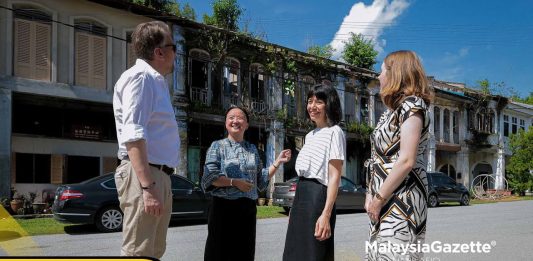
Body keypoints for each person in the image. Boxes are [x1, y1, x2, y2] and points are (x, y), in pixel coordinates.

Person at [112, 21, 179, 259]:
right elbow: (133, 134)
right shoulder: (141, 78)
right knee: (138, 252)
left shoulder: (154, 81)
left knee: (152, 250)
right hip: (146, 175)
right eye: (174, 47)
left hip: (156, 174)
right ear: (159, 52)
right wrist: (148, 187)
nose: (175, 53)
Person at [365, 50, 434, 260]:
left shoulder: (412, 105)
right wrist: (371, 193)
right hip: (386, 196)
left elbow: (406, 160)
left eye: (382, 71)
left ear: (396, 73)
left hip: (402, 197)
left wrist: (378, 198)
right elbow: (377, 157)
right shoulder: (392, 111)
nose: (379, 77)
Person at [201, 105, 291, 261]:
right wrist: (234, 182)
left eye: (240, 117)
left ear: (247, 124)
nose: (235, 121)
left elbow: (261, 180)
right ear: (226, 123)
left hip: (247, 209)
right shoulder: (217, 146)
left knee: (245, 252)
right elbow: (210, 178)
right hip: (223, 208)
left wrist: (277, 162)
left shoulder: (252, 149)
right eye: (231, 118)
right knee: (219, 252)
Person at [283, 84, 346, 261]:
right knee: (294, 252)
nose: (312, 106)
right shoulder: (310, 135)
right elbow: (303, 177)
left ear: (329, 104)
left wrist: (325, 214)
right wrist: (294, 208)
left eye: (319, 102)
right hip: (302, 197)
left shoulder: (335, 132)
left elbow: (334, 177)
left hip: (318, 198)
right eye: (310, 101)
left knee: (314, 252)